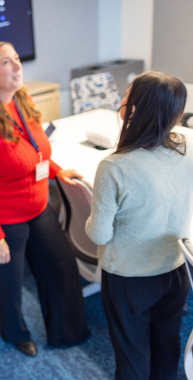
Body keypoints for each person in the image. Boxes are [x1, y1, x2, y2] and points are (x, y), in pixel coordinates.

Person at [0, 42, 90, 357]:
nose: (18, 66)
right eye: (8, 62)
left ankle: (67, 332)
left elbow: (35, 151)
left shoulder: (24, 101)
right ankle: (13, 334)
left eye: (17, 59)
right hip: (5, 219)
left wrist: (57, 171)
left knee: (61, 265)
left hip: (39, 204)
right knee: (11, 286)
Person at [86, 72, 192, 380]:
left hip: (130, 278)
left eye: (126, 96)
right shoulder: (187, 148)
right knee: (167, 343)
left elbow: (99, 233)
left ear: (133, 110)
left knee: (132, 351)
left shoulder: (114, 167)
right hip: (175, 270)